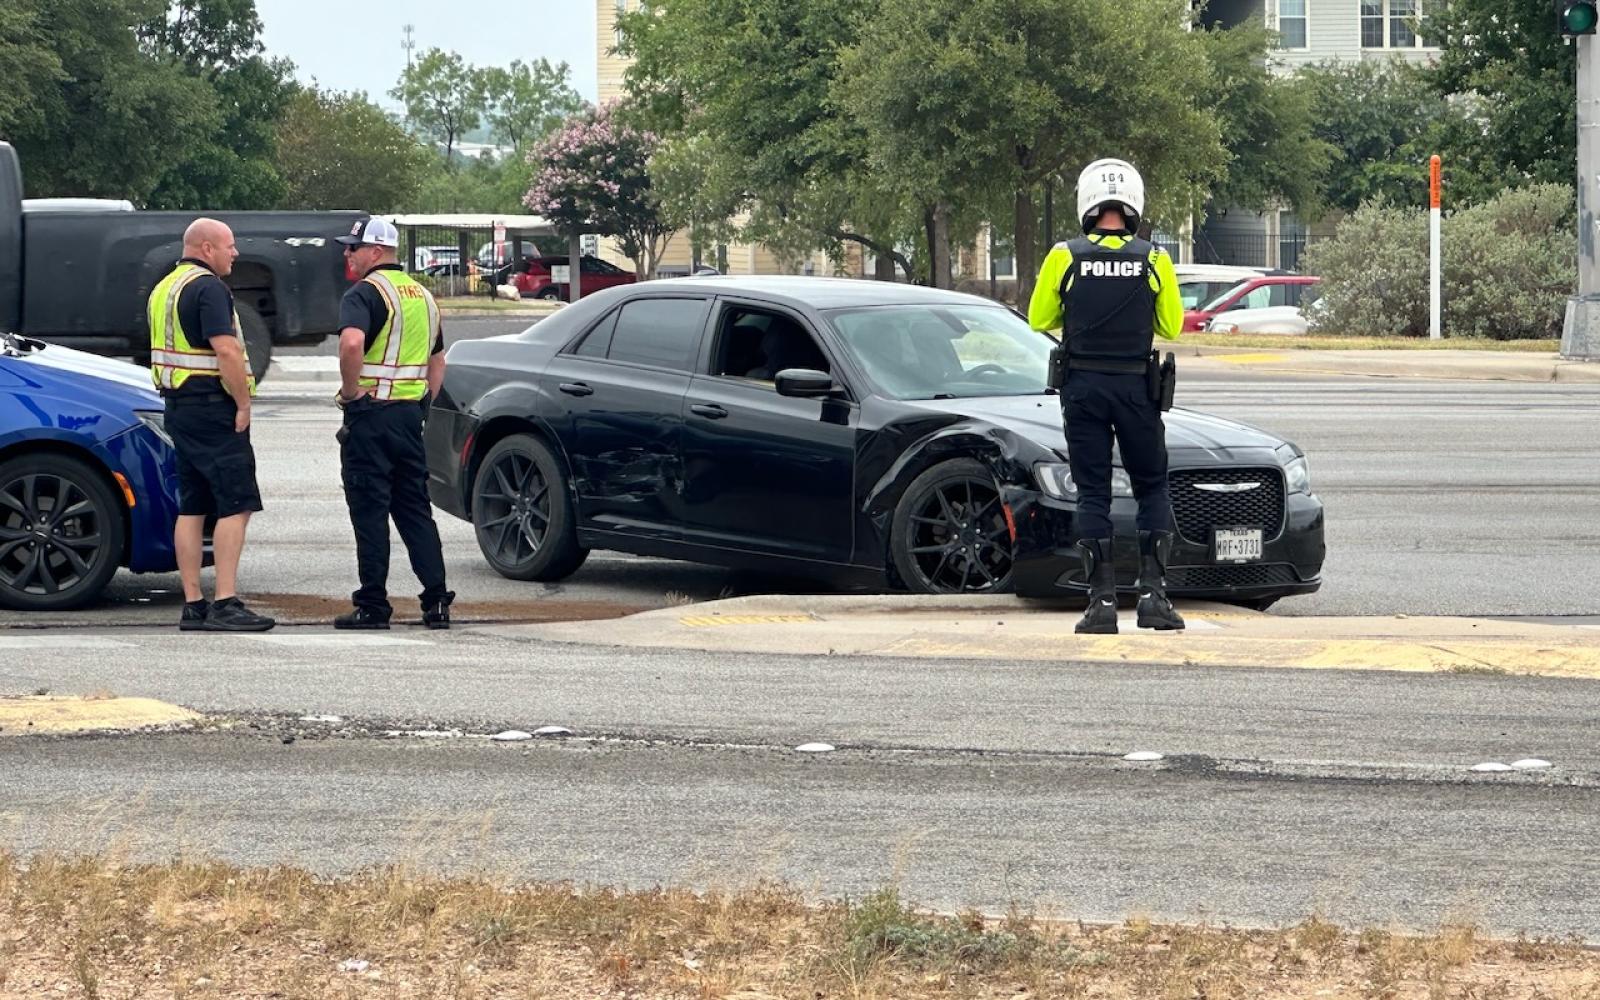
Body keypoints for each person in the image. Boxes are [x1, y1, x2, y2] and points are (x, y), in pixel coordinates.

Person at [1028, 158, 1184, 635]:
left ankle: (1100, 605)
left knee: (1091, 491)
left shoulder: (1064, 255)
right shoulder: (1154, 258)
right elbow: (1171, 326)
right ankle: (1154, 599)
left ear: (1087, 203)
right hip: (1136, 389)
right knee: (1151, 487)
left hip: (1083, 391)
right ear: (1133, 202)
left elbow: (1039, 318)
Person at [147, 218, 276, 632]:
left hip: (179, 407)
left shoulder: (164, 287)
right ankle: (225, 602)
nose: (235, 253)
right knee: (236, 503)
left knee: (193, 504)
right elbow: (227, 351)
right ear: (206, 248)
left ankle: (193, 604)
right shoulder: (208, 288)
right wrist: (242, 403)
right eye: (229, 246)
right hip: (212, 407)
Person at [332, 217, 454, 630]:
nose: (347, 254)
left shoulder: (363, 293)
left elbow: (351, 343)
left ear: (376, 252)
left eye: (353, 247)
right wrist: (423, 406)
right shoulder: (423, 297)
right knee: (415, 511)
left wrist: (351, 393)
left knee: (369, 511)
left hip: (370, 417)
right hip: (407, 419)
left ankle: (373, 605)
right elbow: (438, 362)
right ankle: (436, 602)